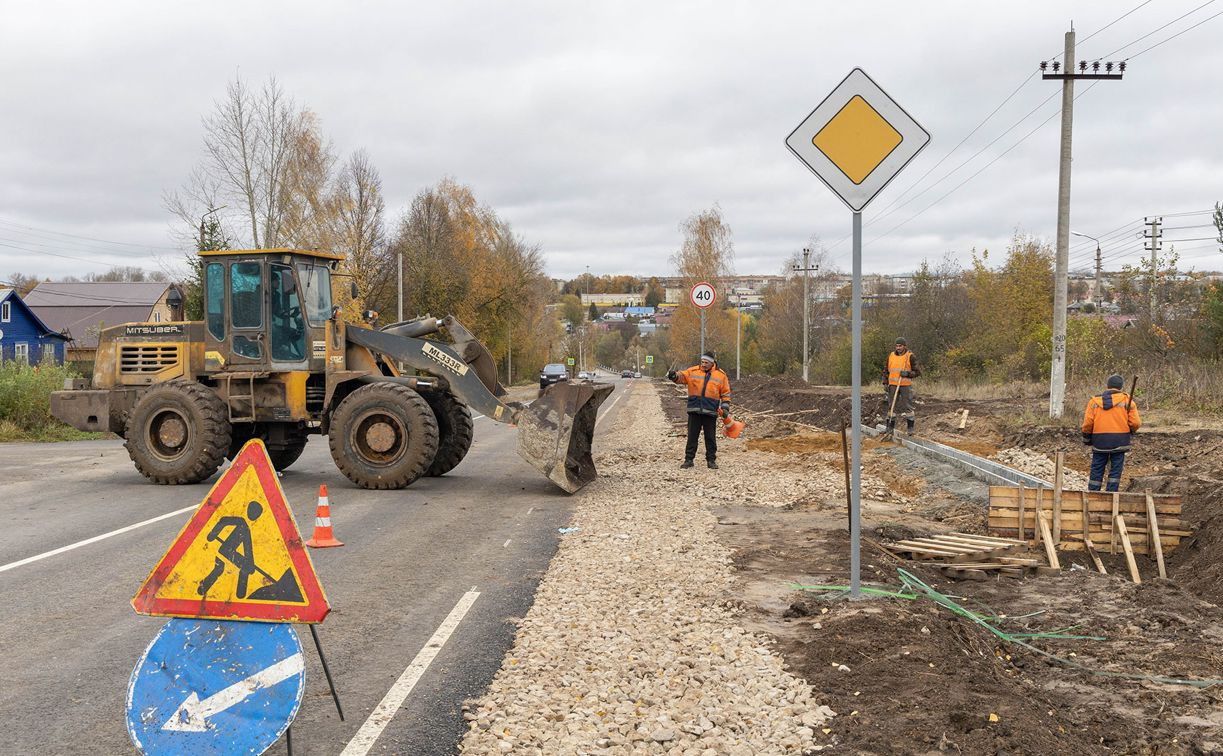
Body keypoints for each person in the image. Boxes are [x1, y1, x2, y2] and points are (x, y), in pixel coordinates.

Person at [667, 352, 731, 469]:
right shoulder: (693, 371)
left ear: (712, 363)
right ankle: (688, 460)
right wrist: (674, 376)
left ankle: (711, 461)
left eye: (706, 362)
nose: (704, 364)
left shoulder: (721, 375)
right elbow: (682, 376)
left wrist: (725, 407)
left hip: (710, 412)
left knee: (710, 438)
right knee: (692, 436)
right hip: (694, 410)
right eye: (702, 362)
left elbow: (725, 393)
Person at [1081, 374, 1141, 492]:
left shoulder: (1093, 402)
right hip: (1120, 441)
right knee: (1115, 471)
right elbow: (1135, 423)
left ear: (1107, 386)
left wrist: (1087, 439)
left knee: (1097, 470)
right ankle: (1111, 495)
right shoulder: (1127, 401)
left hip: (1100, 442)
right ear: (1121, 387)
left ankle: (1093, 494)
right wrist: (1131, 430)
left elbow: (1087, 424)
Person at [882, 337, 921, 435]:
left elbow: (917, 372)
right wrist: (885, 383)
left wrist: (907, 374)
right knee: (891, 407)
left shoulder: (910, 356)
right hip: (892, 386)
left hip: (905, 386)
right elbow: (886, 371)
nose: (898, 348)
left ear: (904, 346)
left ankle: (910, 429)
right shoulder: (891, 356)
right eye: (897, 346)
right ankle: (889, 428)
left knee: (908, 407)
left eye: (900, 346)